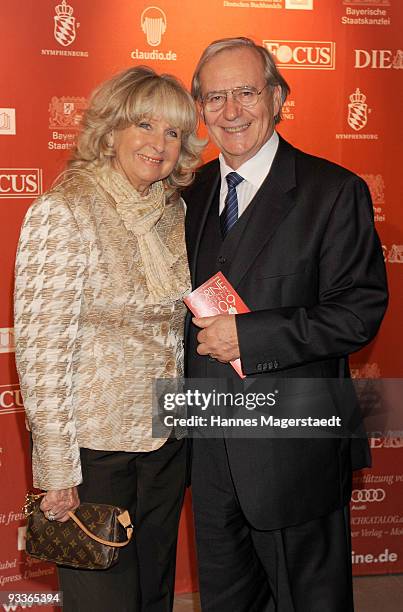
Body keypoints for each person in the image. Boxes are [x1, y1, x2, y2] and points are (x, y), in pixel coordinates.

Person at [183, 37, 388, 612]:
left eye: (246, 92)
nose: (231, 111)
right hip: (208, 452)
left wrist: (249, 336)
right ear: (200, 108)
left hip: (297, 449)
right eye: (215, 97)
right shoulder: (188, 195)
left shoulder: (333, 191)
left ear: (277, 97)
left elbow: (357, 312)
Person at [14, 65, 204, 612]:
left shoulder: (173, 210)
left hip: (165, 441)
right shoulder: (64, 211)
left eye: (173, 133)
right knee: (104, 600)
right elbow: (43, 352)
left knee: (152, 594)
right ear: (111, 131)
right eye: (144, 125)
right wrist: (56, 474)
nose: (159, 144)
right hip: (94, 452)